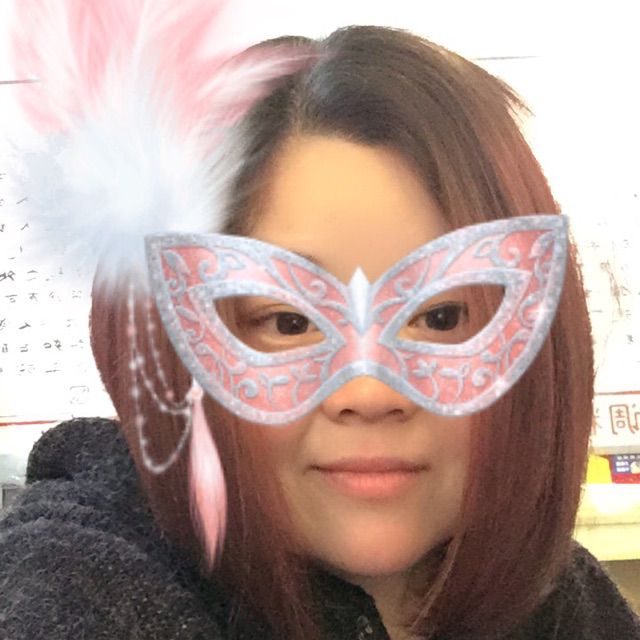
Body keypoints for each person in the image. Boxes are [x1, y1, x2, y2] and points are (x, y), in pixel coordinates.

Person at [2, 5, 639, 640]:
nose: (370, 392)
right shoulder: (76, 589)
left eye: (442, 317)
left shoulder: (567, 602)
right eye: (286, 322)